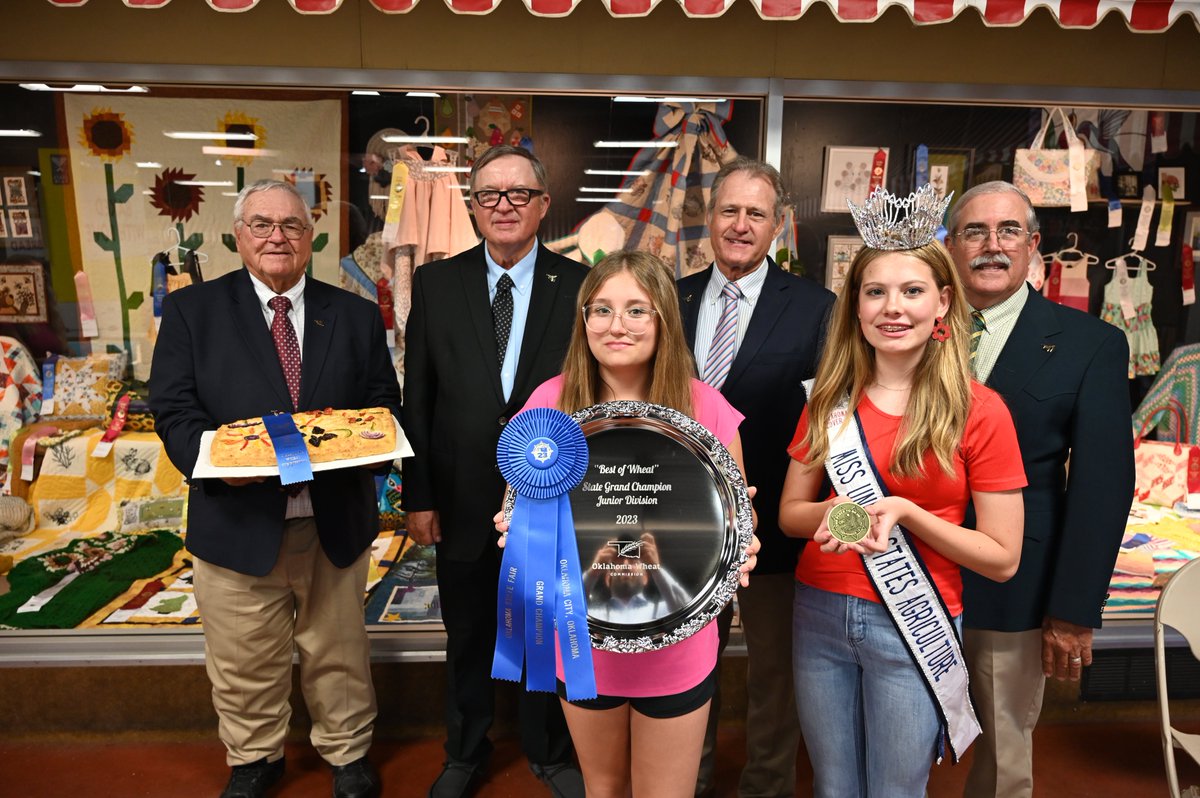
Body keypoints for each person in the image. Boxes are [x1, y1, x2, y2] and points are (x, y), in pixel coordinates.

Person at [150, 179, 399, 798]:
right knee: (243, 659)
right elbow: (173, 411)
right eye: (261, 224)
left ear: (310, 238)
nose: (276, 237)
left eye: (291, 225)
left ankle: (347, 754)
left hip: (332, 521)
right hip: (236, 521)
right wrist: (217, 463)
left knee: (339, 652)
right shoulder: (192, 312)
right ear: (239, 236)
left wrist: (364, 447)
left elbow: (382, 404)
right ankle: (254, 758)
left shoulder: (354, 315)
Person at [777, 186, 1027, 798]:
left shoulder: (980, 411)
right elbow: (789, 516)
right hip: (819, 612)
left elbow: (1003, 558)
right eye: (875, 292)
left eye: (912, 291)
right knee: (834, 786)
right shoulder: (828, 400)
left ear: (943, 301)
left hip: (915, 620)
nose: (893, 308)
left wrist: (908, 513)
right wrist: (832, 513)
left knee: (896, 789)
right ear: (855, 306)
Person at [512, 249, 759, 798]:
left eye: (636, 310)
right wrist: (517, 532)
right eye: (600, 309)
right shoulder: (548, 403)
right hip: (582, 638)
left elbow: (737, 513)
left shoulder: (706, 408)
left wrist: (744, 540)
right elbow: (523, 511)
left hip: (677, 641)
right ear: (583, 321)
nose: (616, 325)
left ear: (663, 319)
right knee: (601, 788)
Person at [402, 144, 590, 798]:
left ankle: (548, 749)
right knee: (467, 632)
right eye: (489, 194)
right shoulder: (436, 285)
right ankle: (465, 750)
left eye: (519, 194)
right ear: (474, 206)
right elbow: (418, 398)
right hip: (459, 496)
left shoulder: (582, 287)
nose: (504, 205)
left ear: (543, 205)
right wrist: (419, 496)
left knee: (548, 628)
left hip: (553, 497)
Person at [945, 182, 1136, 798]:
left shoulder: (1090, 344)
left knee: (1003, 748)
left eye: (1008, 231)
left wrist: (1074, 609)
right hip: (905, 571)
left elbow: (1103, 486)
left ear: (1033, 246)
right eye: (974, 232)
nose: (991, 245)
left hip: (1014, 587)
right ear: (950, 247)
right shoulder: (911, 325)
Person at [676, 156, 834, 798]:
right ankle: (686, 779)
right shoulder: (671, 298)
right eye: (729, 211)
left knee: (776, 672)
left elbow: (829, 418)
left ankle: (765, 785)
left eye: (756, 214)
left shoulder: (817, 308)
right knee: (687, 667)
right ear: (710, 218)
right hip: (682, 525)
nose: (740, 225)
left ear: (778, 225)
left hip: (774, 525)